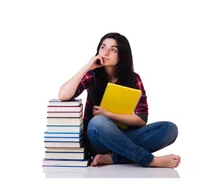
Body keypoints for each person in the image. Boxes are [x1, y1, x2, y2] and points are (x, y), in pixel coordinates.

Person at [58, 32, 180, 168]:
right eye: (103, 47)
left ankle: (113, 158)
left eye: (113, 50)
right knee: (98, 122)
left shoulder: (134, 79)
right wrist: (87, 66)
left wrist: (109, 114)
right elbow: (63, 95)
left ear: (122, 55)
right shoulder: (92, 75)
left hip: (125, 135)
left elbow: (141, 119)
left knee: (169, 129)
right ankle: (150, 161)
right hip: (98, 137)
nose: (106, 52)